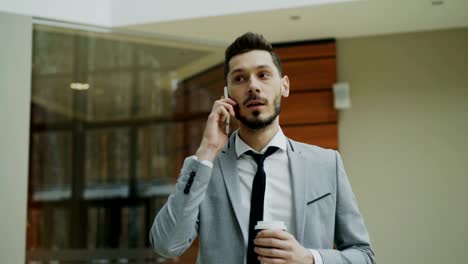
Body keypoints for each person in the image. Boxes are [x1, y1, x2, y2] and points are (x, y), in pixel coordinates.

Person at [150, 32, 375, 264]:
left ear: (284, 86)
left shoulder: (326, 164)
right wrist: (206, 151)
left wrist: (311, 259)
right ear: (227, 95)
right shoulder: (205, 169)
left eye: (263, 75)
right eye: (240, 79)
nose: (253, 86)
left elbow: (363, 255)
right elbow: (167, 245)